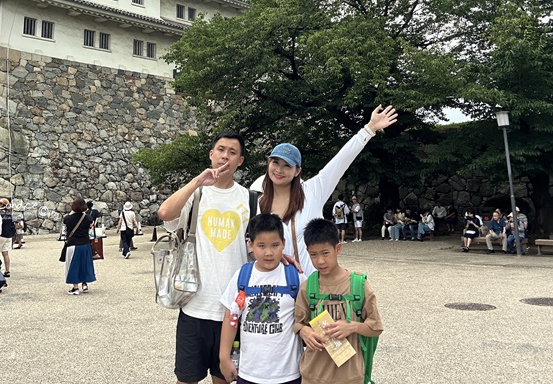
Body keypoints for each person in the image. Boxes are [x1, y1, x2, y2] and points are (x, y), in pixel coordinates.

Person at [157, 130, 254, 384]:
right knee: (186, 379)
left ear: (240, 161)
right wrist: (198, 181)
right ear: (211, 155)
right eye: (221, 150)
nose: (225, 156)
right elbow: (165, 212)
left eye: (233, 152)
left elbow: (261, 246)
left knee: (224, 379)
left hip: (232, 310)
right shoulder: (196, 195)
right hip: (194, 306)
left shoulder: (249, 199)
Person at [257, 104, 398, 274]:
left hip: (311, 285)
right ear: (268, 163)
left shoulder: (313, 191)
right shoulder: (257, 201)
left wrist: (368, 129)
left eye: (287, 165)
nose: (279, 170)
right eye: (275, 163)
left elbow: (341, 161)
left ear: (297, 171)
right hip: (275, 287)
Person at [294, 218, 384, 384]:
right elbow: (298, 323)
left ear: (338, 248)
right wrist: (304, 332)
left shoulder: (358, 285)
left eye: (325, 253)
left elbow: (376, 327)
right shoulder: (308, 287)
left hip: (350, 377)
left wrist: (352, 327)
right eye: (313, 255)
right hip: (313, 376)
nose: (320, 261)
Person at [219, 213, 306, 384]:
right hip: (249, 373)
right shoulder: (243, 275)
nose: (268, 252)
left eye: (275, 245)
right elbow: (231, 316)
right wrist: (224, 357)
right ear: (250, 245)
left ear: (283, 244)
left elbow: (311, 314)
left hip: (289, 374)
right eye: (261, 245)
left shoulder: (295, 277)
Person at [63, 198, 96, 294]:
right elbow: (91, 226)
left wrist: (72, 212)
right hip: (85, 244)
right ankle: (84, 283)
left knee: (73, 265)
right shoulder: (87, 218)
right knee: (85, 264)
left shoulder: (68, 218)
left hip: (73, 244)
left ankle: (75, 287)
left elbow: (66, 222)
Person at [0, 198, 16, 277]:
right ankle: (7, 271)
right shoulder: (10, 214)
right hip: (9, 235)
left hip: (1, 235)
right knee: (5, 254)